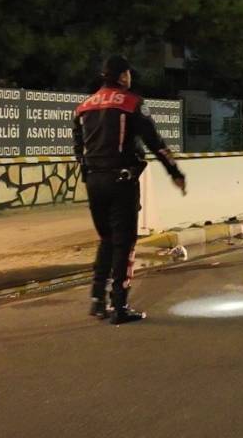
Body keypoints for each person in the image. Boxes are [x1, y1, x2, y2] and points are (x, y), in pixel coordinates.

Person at [73, 55, 186, 325]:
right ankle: (120, 305)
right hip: (121, 180)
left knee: (107, 239)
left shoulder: (83, 107)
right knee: (124, 243)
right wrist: (174, 172)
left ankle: (97, 299)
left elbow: (78, 148)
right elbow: (155, 142)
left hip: (94, 182)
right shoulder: (131, 103)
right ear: (123, 76)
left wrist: (88, 173)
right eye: (128, 73)